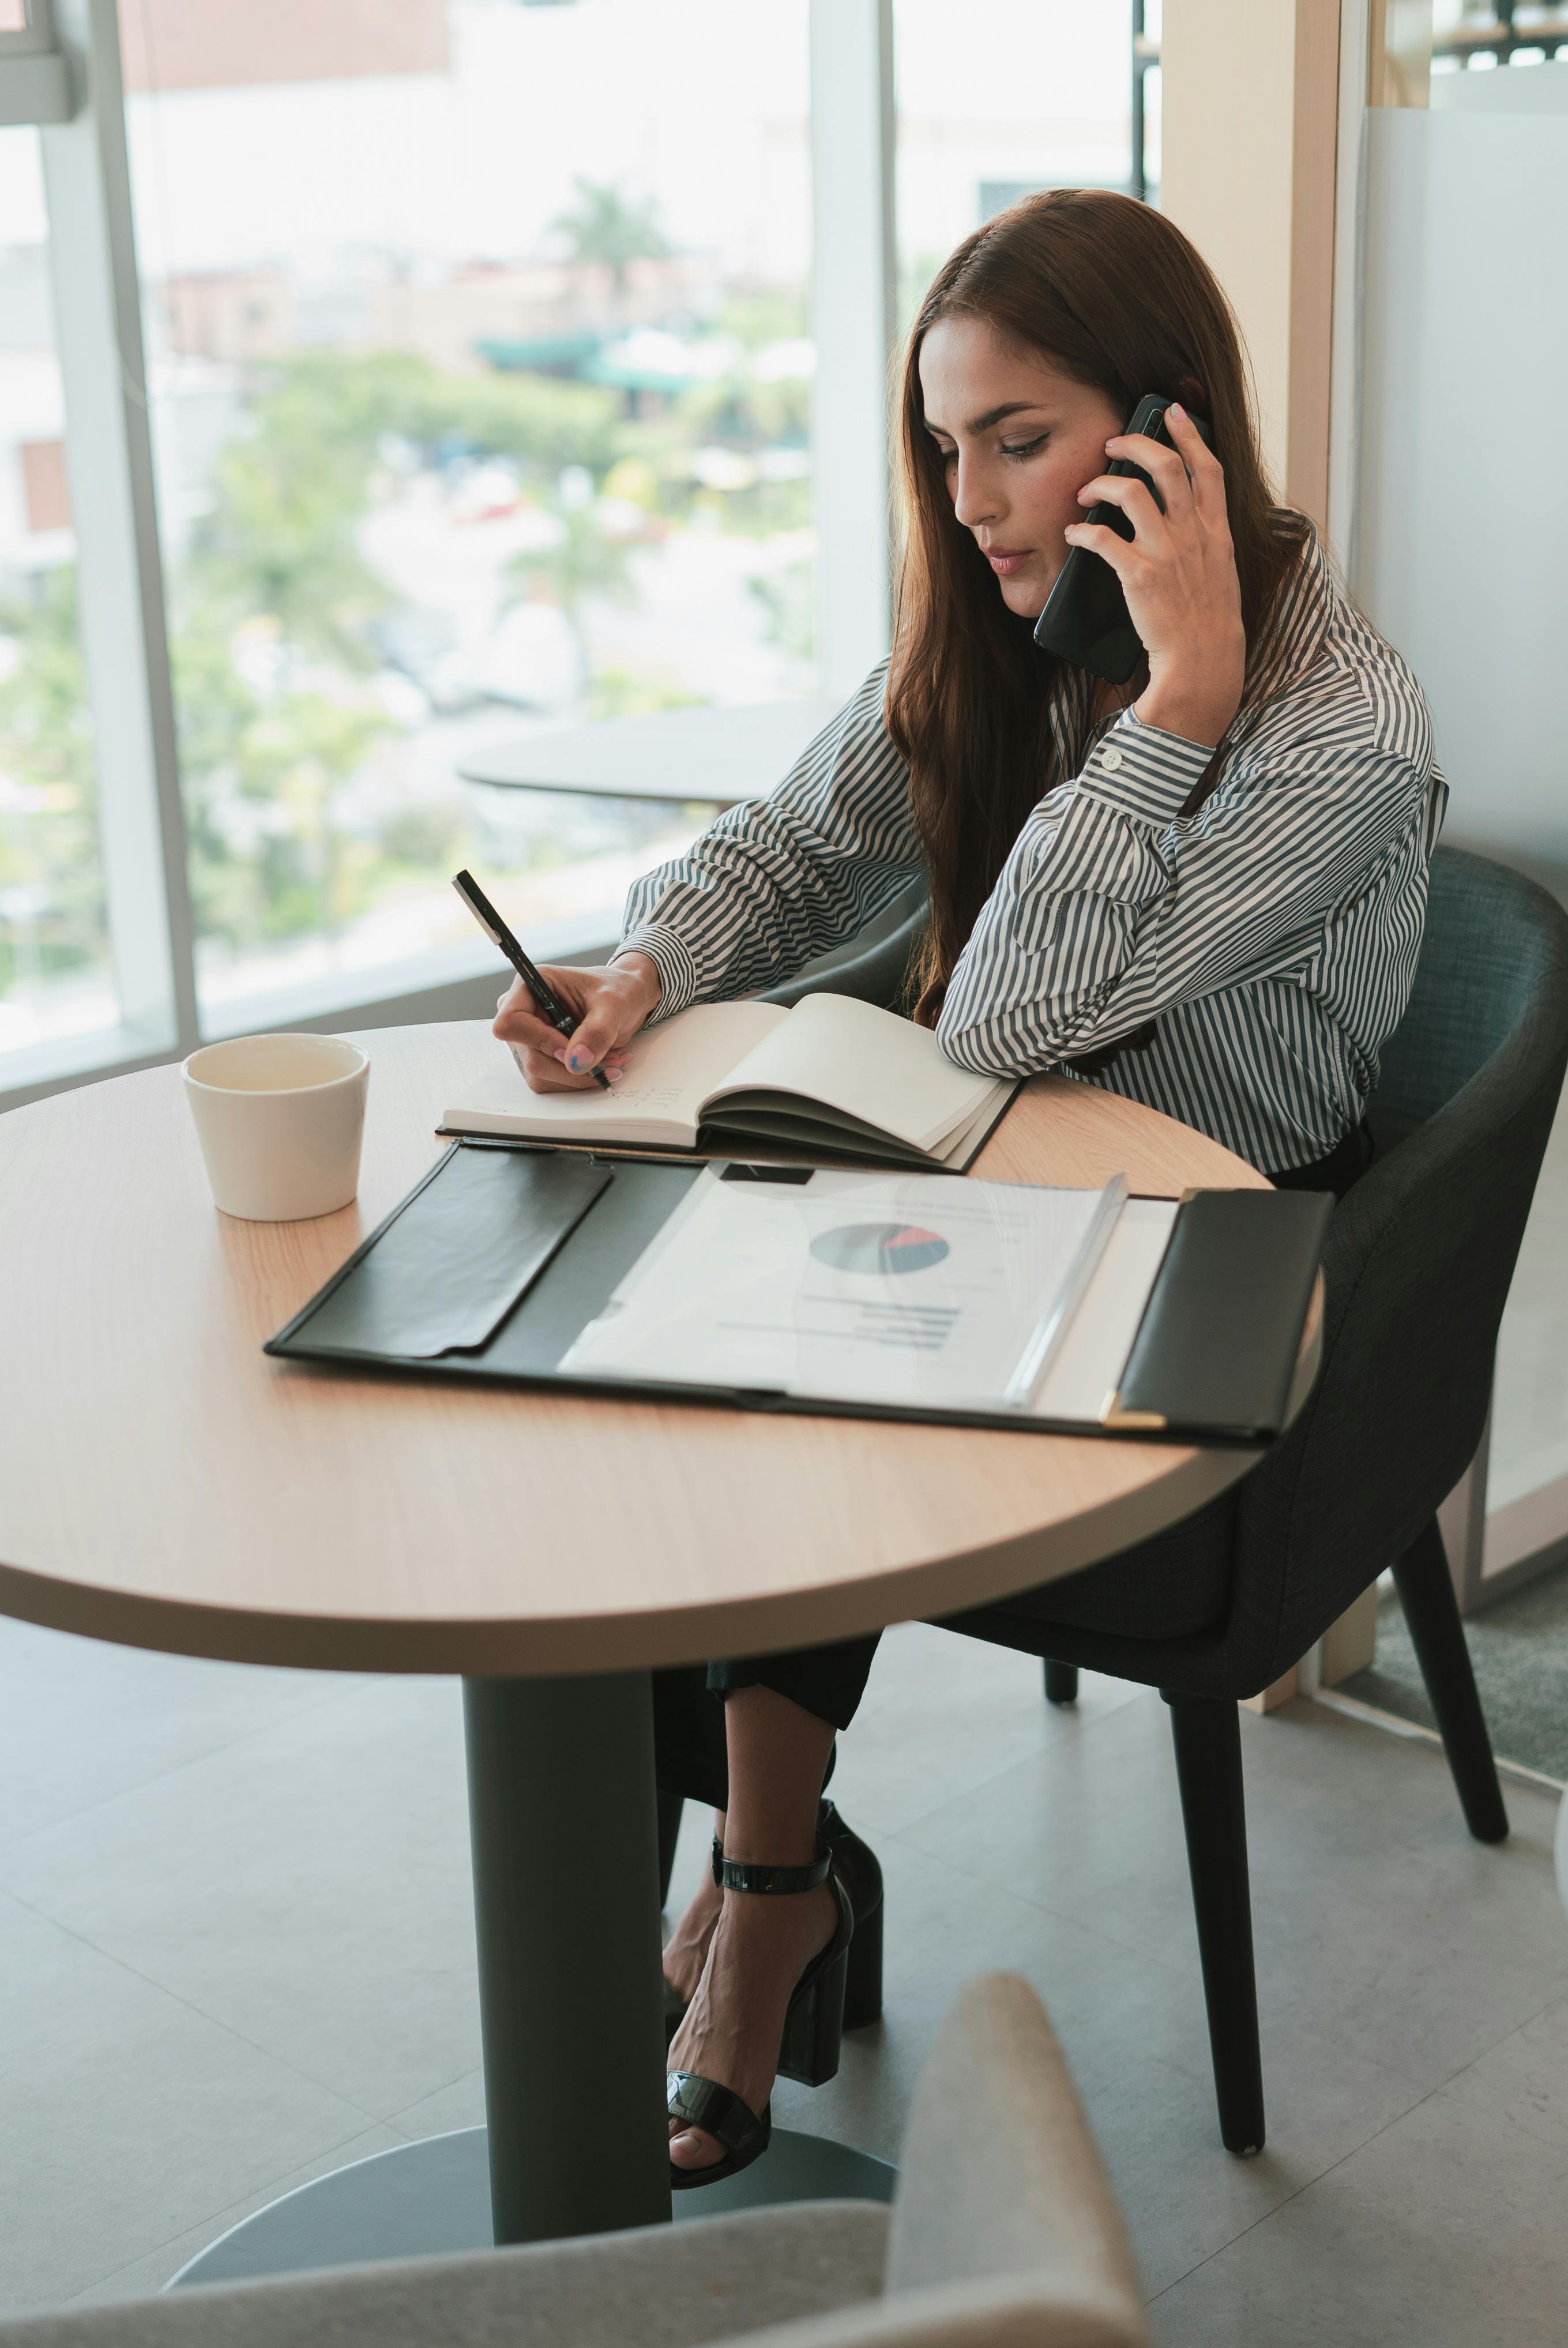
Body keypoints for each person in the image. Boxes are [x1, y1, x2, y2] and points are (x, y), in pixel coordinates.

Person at [492, 189, 1446, 2187]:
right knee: (696, 1335)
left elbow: (1008, 1008)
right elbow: (795, 834)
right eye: (949, 445)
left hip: (1216, 1238)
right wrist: (644, 969)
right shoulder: (1003, 628)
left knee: (800, 1368)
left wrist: (1173, 706)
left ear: (1170, 428)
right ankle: (777, 1865)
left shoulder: (1334, 725)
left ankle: (763, 1905)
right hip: (1007, 1185)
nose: (982, 497)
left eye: (1023, 439)